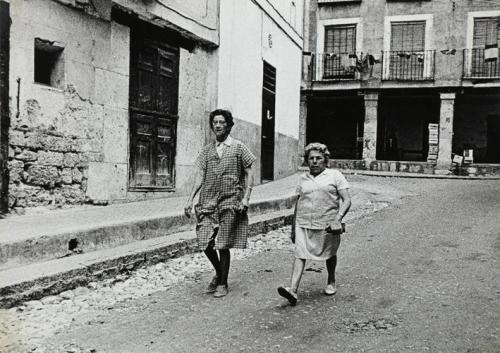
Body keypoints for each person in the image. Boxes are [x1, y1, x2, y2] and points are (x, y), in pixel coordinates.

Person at [184, 109, 256, 298]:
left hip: (230, 200)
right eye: (215, 122)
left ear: (229, 125)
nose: (217, 125)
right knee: (205, 241)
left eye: (221, 122)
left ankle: (222, 283)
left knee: (222, 244)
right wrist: (190, 199)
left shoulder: (239, 147)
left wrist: (246, 198)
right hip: (208, 201)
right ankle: (219, 272)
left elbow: (249, 172)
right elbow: (200, 175)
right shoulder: (207, 150)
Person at [278, 142, 351, 306]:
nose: (315, 161)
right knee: (300, 254)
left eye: (319, 158)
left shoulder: (335, 175)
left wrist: (337, 219)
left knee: (329, 253)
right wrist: (293, 228)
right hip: (303, 222)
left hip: (328, 224)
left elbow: (347, 200)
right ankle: (293, 290)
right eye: (311, 158)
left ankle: (331, 280)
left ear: (325, 160)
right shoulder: (303, 178)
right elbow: (298, 201)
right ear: (306, 161)